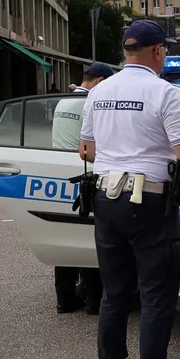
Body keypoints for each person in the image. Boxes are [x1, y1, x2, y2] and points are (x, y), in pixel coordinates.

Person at [78, 20, 180, 359]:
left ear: (126, 51)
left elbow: (86, 150)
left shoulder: (99, 92)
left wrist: (120, 151)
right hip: (148, 201)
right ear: (158, 52)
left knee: (114, 295)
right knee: (156, 297)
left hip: (106, 198)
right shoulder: (164, 93)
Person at [52, 62, 115, 316]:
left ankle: (64, 299)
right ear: (100, 82)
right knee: (88, 236)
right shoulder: (90, 103)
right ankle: (92, 300)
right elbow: (94, 146)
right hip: (83, 175)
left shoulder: (63, 101)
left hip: (56, 171)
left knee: (64, 237)